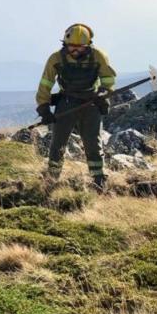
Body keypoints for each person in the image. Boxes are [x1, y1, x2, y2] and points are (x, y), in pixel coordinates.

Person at [36, 23, 116, 190]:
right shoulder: (56, 59)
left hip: (91, 103)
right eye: (72, 46)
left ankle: (98, 180)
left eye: (80, 47)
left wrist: (103, 93)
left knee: (93, 144)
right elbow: (45, 84)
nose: (75, 50)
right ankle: (51, 179)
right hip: (66, 103)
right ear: (65, 44)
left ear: (88, 45)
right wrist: (44, 108)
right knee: (58, 143)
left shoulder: (98, 56)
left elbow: (108, 79)